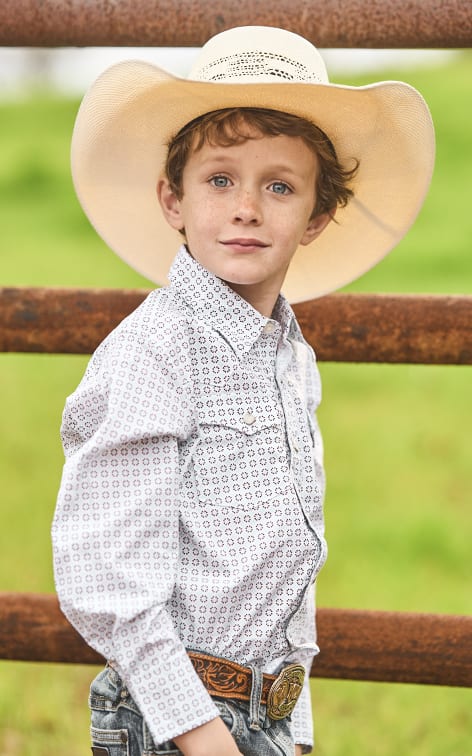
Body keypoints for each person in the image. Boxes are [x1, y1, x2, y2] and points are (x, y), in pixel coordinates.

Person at [52, 25, 434, 756]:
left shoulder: (290, 356)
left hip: (269, 711)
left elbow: (289, 560)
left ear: (317, 216)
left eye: (280, 186)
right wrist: (199, 732)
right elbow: (106, 573)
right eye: (220, 179)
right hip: (176, 721)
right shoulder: (152, 353)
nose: (247, 208)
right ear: (174, 199)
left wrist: (295, 726)